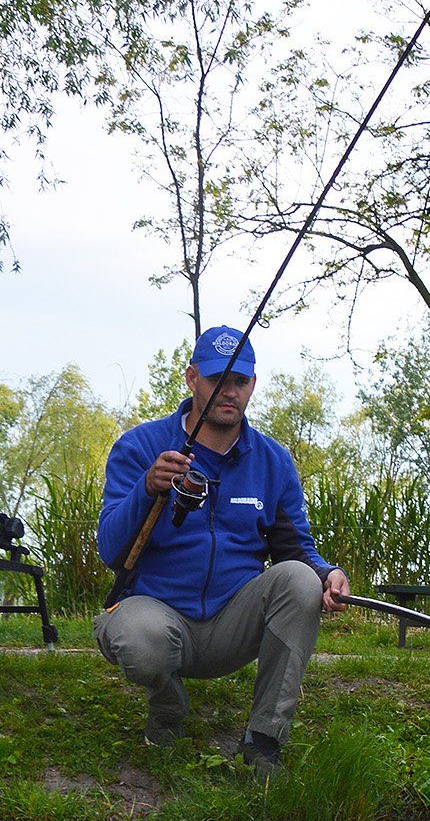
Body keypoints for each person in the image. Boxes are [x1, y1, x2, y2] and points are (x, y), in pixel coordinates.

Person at [95, 325, 351, 772]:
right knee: (140, 641)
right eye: (218, 380)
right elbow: (110, 549)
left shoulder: (274, 461)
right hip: (156, 614)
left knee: (299, 579)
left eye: (240, 381)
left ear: (253, 383)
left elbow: (295, 549)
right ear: (193, 378)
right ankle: (169, 705)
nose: (229, 392)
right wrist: (146, 488)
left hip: (233, 624)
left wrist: (326, 572)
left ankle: (263, 739)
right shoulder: (140, 447)